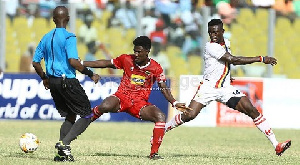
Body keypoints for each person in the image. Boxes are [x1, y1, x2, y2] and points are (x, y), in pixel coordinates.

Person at [165, 19, 291, 156]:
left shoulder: (227, 43)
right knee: (189, 115)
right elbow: (233, 60)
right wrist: (260, 59)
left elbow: (222, 64)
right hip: (208, 88)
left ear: (222, 32)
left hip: (225, 89)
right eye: (210, 32)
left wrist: (226, 75)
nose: (212, 35)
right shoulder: (210, 46)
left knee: (251, 110)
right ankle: (162, 129)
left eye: (215, 32)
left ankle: (276, 145)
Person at [82, 36, 191, 159]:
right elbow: (105, 63)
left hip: (139, 104)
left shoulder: (156, 67)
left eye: (139, 51)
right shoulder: (127, 59)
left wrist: (174, 102)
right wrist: (81, 63)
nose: (136, 54)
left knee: (161, 117)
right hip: (122, 97)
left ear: (147, 51)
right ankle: (83, 122)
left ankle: (153, 153)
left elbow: (163, 86)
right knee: (104, 106)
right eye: (135, 51)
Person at [32, 6, 100, 162]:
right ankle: (65, 143)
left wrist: (44, 77)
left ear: (53, 19)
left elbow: (35, 63)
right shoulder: (69, 37)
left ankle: (60, 154)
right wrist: (91, 74)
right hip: (67, 80)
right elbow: (73, 61)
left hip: (53, 83)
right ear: (68, 19)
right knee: (87, 113)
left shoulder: (46, 37)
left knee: (70, 115)